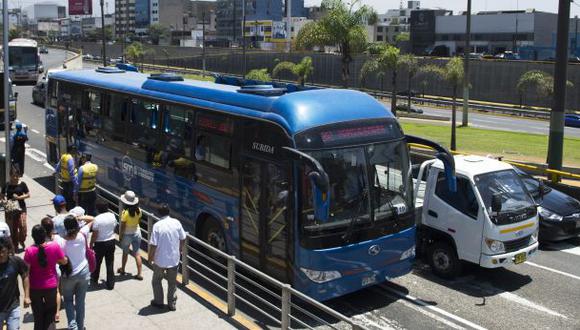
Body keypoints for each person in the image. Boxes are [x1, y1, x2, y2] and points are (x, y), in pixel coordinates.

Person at [24, 225, 68, 330]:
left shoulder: (29, 251)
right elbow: (63, 261)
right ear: (45, 235)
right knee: (50, 317)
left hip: (35, 288)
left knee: (38, 317)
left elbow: (26, 272)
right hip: (51, 286)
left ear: (33, 237)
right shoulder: (54, 246)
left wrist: (26, 295)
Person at [149, 204, 186, 311]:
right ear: (169, 212)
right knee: (172, 283)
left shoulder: (157, 226)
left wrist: (150, 257)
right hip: (174, 259)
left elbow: (153, 245)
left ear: (159, 213)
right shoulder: (176, 222)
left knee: (156, 281)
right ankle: (172, 304)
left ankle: (158, 301)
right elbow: (183, 238)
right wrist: (180, 249)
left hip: (159, 260)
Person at [57, 216, 91, 330]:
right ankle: (80, 327)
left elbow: (60, 259)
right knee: (80, 302)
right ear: (76, 225)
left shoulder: (61, 241)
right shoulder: (82, 234)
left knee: (68, 300)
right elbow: (93, 219)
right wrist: (79, 217)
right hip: (84, 273)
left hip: (69, 275)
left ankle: (73, 326)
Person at [0, 237, 30, 330]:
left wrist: (26, 296)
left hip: (13, 306)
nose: (1, 254)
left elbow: (25, 276)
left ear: (8, 250)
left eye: (3, 251)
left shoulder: (15, 261)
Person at [40, 217, 63, 324]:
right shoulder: (58, 239)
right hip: (56, 269)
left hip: (43, 270)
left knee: (44, 292)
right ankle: (57, 313)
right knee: (57, 291)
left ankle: (48, 311)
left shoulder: (39, 240)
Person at [1, 169, 30, 251]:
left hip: (21, 208)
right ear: (10, 176)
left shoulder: (22, 184)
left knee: (23, 226)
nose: (15, 177)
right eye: (13, 176)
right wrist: (3, 201)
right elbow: (2, 196)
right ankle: (15, 245)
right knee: (13, 228)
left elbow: (28, 195)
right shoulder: (6, 185)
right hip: (10, 210)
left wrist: (18, 197)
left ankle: (22, 240)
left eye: (17, 175)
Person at [90, 202, 117, 290]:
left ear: (98, 209)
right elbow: (114, 227)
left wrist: (91, 243)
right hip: (111, 241)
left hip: (100, 243)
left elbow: (95, 234)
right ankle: (110, 284)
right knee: (110, 263)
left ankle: (94, 279)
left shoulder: (97, 219)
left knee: (97, 262)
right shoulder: (112, 216)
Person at [117, 191, 143, 280]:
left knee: (125, 252)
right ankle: (139, 274)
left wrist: (120, 236)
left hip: (127, 235)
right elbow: (139, 222)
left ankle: (123, 269)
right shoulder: (139, 210)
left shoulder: (125, 213)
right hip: (137, 232)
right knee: (137, 253)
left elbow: (123, 226)